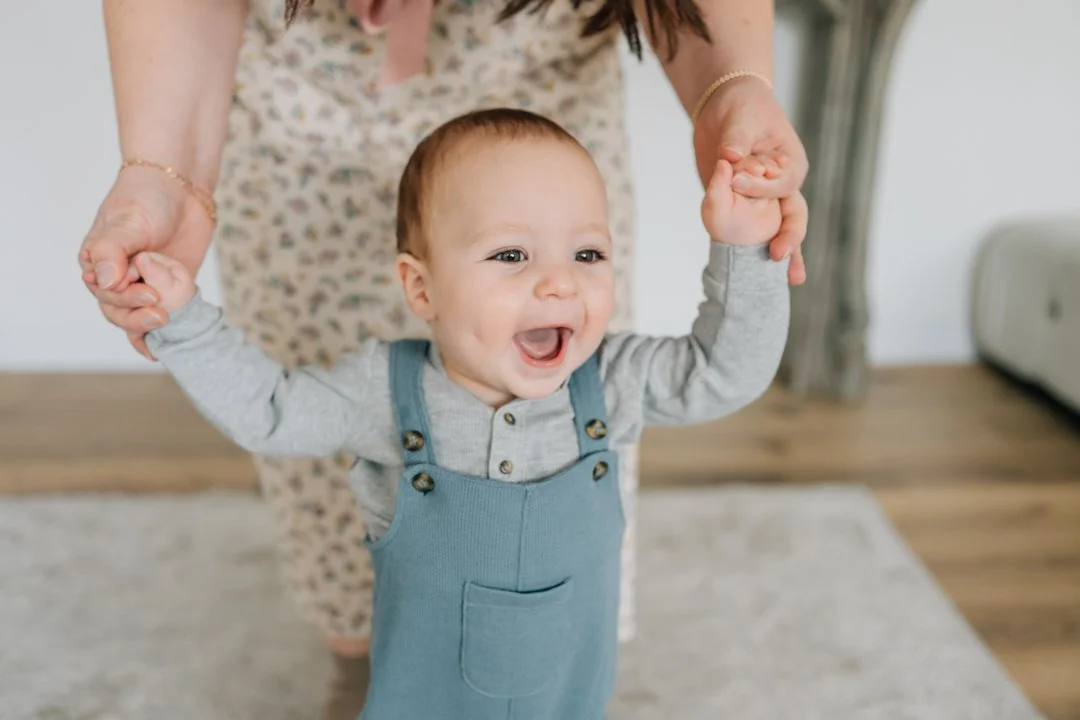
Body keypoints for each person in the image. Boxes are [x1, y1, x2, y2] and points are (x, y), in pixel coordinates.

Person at [79, 0, 808, 716]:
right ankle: (350, 665)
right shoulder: (386, 394)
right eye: (511, 255)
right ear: (419, 288)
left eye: (589, 252)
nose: (560, 281)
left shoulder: (610, 382)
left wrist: (746, 246)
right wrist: (181, 320)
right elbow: (271, 412)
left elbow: (724, 373)